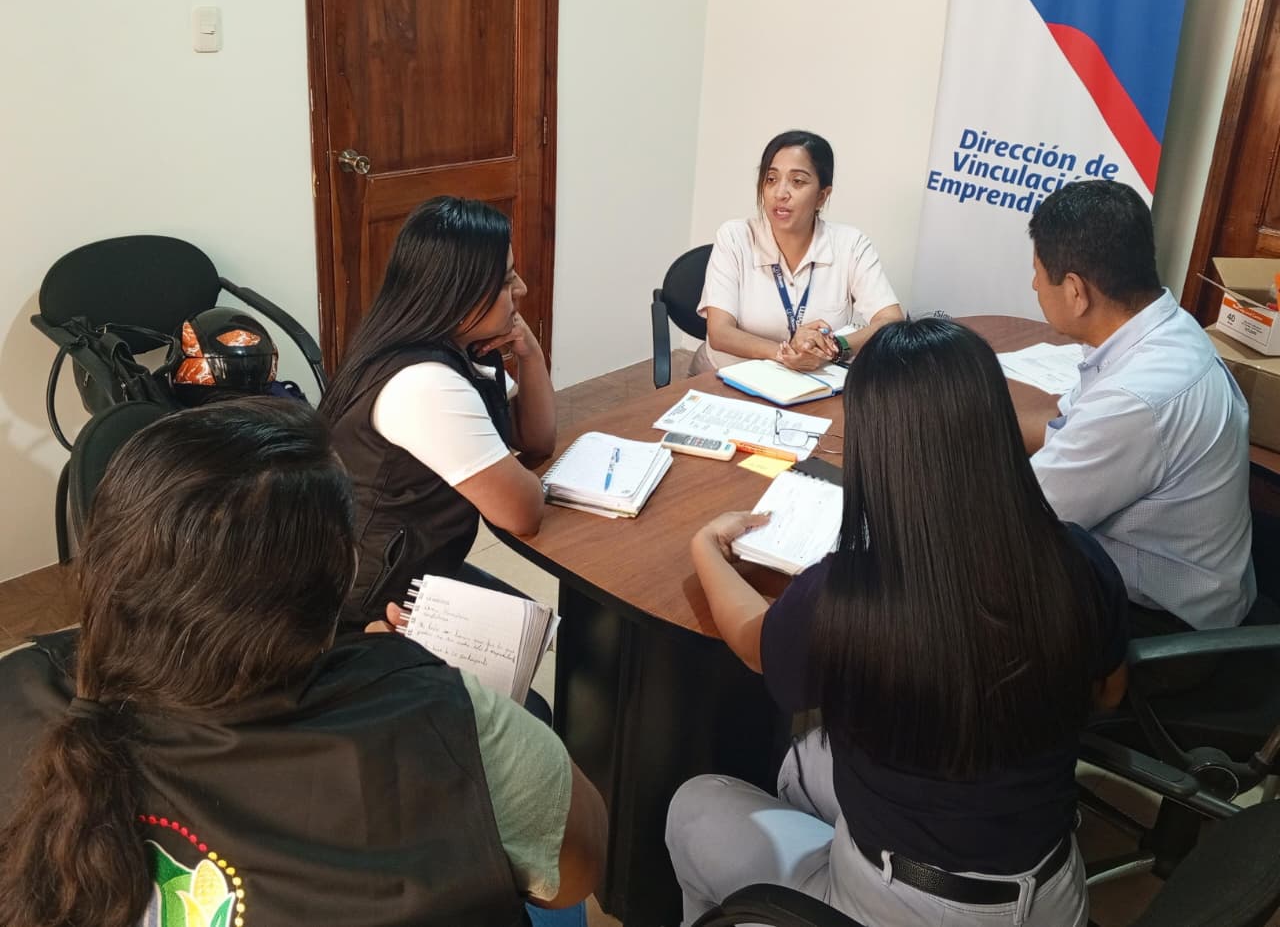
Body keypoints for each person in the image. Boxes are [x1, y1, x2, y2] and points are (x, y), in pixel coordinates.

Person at [0, 399, 605, 927]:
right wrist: (412, 677)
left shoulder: (19, 681)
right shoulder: (452, 724)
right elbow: (574, 872)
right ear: (335, 583)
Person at [666, 319, 1128, 927]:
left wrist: (705, 547)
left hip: (904, 906)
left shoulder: (849, 592)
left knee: (695, 805)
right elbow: (1107, 695)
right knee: (803, 765)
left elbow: (756, 644)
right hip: (1054, 894)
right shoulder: (1078, 556)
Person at [1025, 179, 1255, 633]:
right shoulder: (1165, 328)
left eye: (1037, 273)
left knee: (962, 585)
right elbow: (1065, 424)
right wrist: (972, 419)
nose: (1034, 284)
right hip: (1171, 577)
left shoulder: (1136, 399)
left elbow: (1024, 517)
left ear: (1075, 291)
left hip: (1164, 621)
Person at [321, 196, 557, 629]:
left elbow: (536, 439)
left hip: (406, 569)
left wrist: (530, 353)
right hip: (371, 608)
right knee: (529, 636)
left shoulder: (446, 345)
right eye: (507, 280)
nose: (522, 289)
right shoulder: (427, 384)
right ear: (461, 296)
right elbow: (523, 513)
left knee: (536, 625)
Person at [691, 130, 903, 374]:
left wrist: (836, 346)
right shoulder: (735, 237)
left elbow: (891, 320)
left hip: (811, 380)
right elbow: (720, 333)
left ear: (822, 196)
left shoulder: (851, 244)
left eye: (797, 181)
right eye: (771, 179)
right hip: (730, 374)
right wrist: (787, 353)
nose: (780, 193)